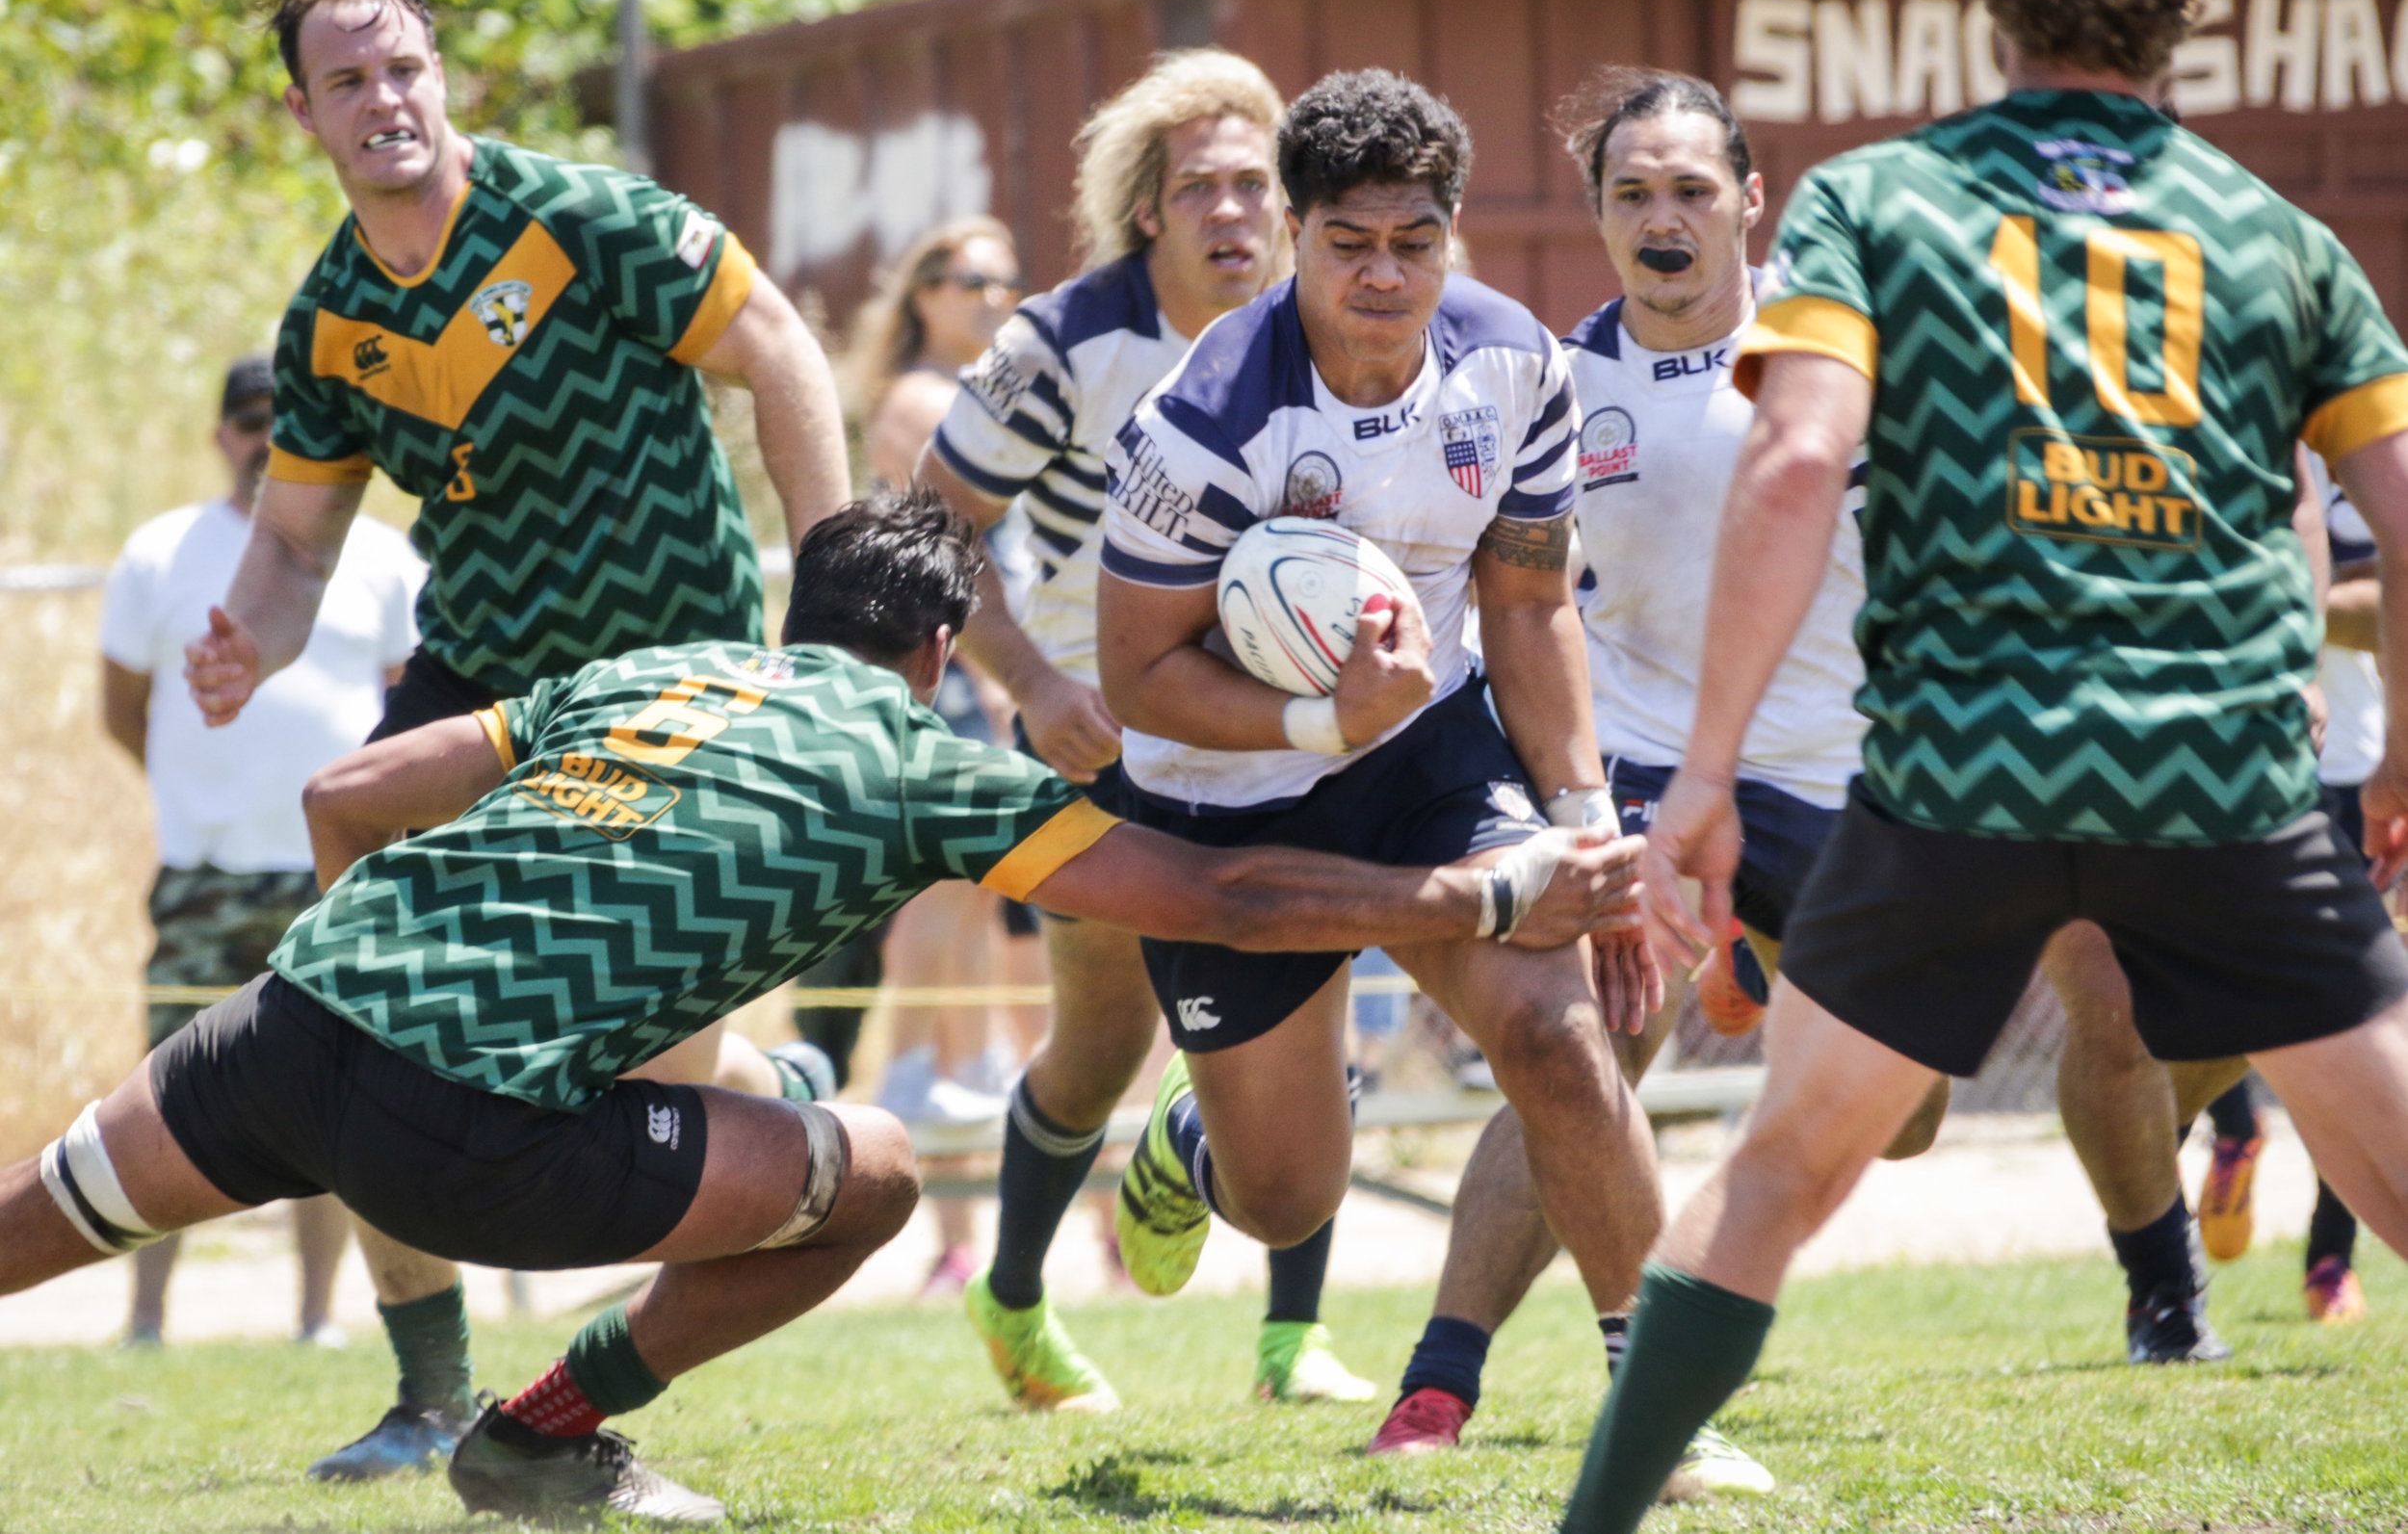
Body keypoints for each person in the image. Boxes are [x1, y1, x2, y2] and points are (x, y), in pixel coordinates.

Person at [0, 492, 1645, 1526]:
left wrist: (383, 966)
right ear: (938, 650)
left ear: (799, 614)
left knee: (47, 1215)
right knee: (865, 1170)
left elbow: (348, 784)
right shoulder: (925, 760)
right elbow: (1216, 900)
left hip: (300, 1015)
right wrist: (1474, 895)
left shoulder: (650, 671)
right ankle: (538, 1440)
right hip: (470, 1125)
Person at [1560, 0, 2408, 1521]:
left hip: (1960, 771)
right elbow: (2398, 519)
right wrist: (2401, 750)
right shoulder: (2282, 234)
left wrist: (1705, 773)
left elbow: (1800, 456)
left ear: (1990, 10)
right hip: (2213, 770)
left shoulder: (1882, 198)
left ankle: (1598, 1519)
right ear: (2188, 21)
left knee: (1772, 1181)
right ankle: (2175, 1277)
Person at [181, 0, 852, 1479]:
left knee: (645, 1084)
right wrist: (243, 636)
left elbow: (785, 352)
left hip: (667, 691)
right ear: (303, 113)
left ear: (442, 76)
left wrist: (835, 597)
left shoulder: (586, 221)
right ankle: (428, 1396)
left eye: (403, 68)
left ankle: (732, 1166)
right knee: (346, 1012)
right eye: (346, 83)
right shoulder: (332, 321)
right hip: (482, 691)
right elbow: (295, 548)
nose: (385, 101)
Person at [1365, 69, 1949, 1489]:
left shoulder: (1844, 357)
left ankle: (1756, 952)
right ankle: (1440, 1379)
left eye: (1693, 189)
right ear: (1600, 216)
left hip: (1832, 774)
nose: (1663, 218)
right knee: (1575, 1054)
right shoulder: (1555, 386)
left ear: (1751, 202)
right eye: (1632, 193)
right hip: (1631, 771)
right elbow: (1515, 600)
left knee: (1916, 1112)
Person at [1095, 69, 1675, 1426]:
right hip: (1228, 801)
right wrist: (1316, 716)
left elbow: (1529, 601)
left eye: (1414, 242)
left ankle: (1656, 1397)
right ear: (1298, 235)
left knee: (1554, 1028)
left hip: (1421, 749)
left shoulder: (1515, 361)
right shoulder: (1209, 417)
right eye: (1348, 244)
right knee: (1290, 1191)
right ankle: (1190, 1136)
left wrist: (1584, 818)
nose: (1382, 275)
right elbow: (1136, 676)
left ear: (1452, 231)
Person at [916, 51, 1380, 1409]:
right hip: (1093, 740)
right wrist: (1034, 687)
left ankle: (1296, 1339)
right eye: (1201, 191)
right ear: (1148, 212)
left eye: (1255, 185)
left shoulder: (1333, 323)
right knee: (1104, 1041)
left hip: (1275, 722)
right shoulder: (1060, 343)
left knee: (1315, 1004)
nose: (1234, 212)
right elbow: (930, 527)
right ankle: (1010, 1299)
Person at [97, 353, 423, 1348]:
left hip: (339, 874)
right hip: (204, 874)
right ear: (218, 435)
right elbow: (124, 709)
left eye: (285, 420)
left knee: (335, 1097)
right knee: (164, 1093)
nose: (264, 439)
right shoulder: (159, 552)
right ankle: (146, 1318)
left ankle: (319, 1318)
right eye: (247, 420)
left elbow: (416, 714)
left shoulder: (383, 558)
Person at [847, 216, 1032, 1295]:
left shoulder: (992, 398)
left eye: (1008, 282)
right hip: (951, 678)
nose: (994, 299)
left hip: (1003, 679)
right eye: (970, 280)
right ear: (923, 291)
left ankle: (1050, 1224)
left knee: (1013, 969)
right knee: (939, 958)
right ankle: (948, 1228)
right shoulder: (921, 401)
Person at [2195, 455, 2379, 1324]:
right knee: (2197, 984)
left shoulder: (2379, 438)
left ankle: (2330, 1261)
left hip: (2345, 769)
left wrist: (2280, 602)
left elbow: (2386, 605)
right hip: (2214, 760)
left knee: (2349, 1019)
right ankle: (2234, 1128)